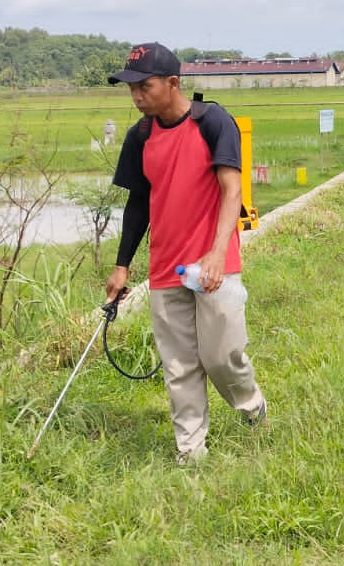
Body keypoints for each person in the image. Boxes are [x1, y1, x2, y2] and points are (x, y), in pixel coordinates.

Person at [105, 42, 267, 466]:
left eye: (146, 86)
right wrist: (122, 267)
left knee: (221, 357)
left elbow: (232, 189)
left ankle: (252, 406)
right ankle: (191, 453)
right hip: (165, 268)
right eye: (132, 89)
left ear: (173, 83)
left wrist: (216, 252)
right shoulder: (139, 136)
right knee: (179, 366)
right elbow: (137, 204)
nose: (137, 96)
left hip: (214, 266)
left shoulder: (212, 121)